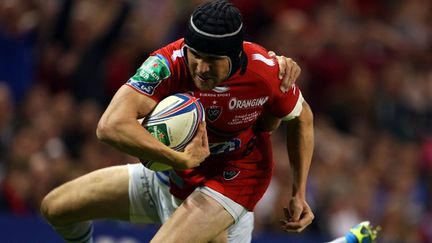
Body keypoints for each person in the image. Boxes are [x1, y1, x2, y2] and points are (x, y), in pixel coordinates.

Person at [40, 1, 312, 242]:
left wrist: (299, 193)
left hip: (231, 180)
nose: (202, 68)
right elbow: (109, 125)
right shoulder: (167, 63)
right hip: (170, 175)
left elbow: (302, 118)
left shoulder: (266, 71)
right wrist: (177, 159)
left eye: (213, 60)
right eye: (196, 54)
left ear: (234, 56)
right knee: (56, 208)